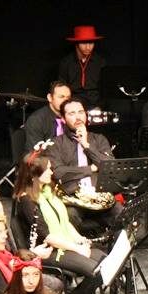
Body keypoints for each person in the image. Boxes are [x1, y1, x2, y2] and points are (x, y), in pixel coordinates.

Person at [12, 154, 105, 294]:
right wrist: (77, 248)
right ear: (34, 174)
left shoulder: (47, 191)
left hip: (63, 244)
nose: (51, 172)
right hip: (47, 251)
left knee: (106, 261)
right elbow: (47, 236)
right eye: (47, 169)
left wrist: (79, 239)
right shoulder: (27, 200)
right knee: (96, 270)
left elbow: (64, 221)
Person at [45, 97, 121, 232]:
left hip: (101, 198)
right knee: (70, 216)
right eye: (72, 113)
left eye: (81, 112)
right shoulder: (55, 144)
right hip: (73, 199)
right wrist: (91, 168)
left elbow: (110, 167)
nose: (78, 117)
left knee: (122, 214)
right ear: (63, 119)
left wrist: (86, 145)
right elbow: (58, 172)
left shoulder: (99, 139)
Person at [58, 25, 107, 109]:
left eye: (91, 43)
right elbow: (62, 87)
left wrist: (100, 106)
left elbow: (105, 89)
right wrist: (68, 106)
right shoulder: (66, 62)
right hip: (73, 104)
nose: (88, 47)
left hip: (95, 104)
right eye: (84, 43)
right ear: (76, 43)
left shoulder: (100, 62)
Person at [24, 81, 72, 150]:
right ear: (50, 98)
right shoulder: (36, 120)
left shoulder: (71, 116)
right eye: (61, 97)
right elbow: (35, 152)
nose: (65, 101)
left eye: (68, 98)